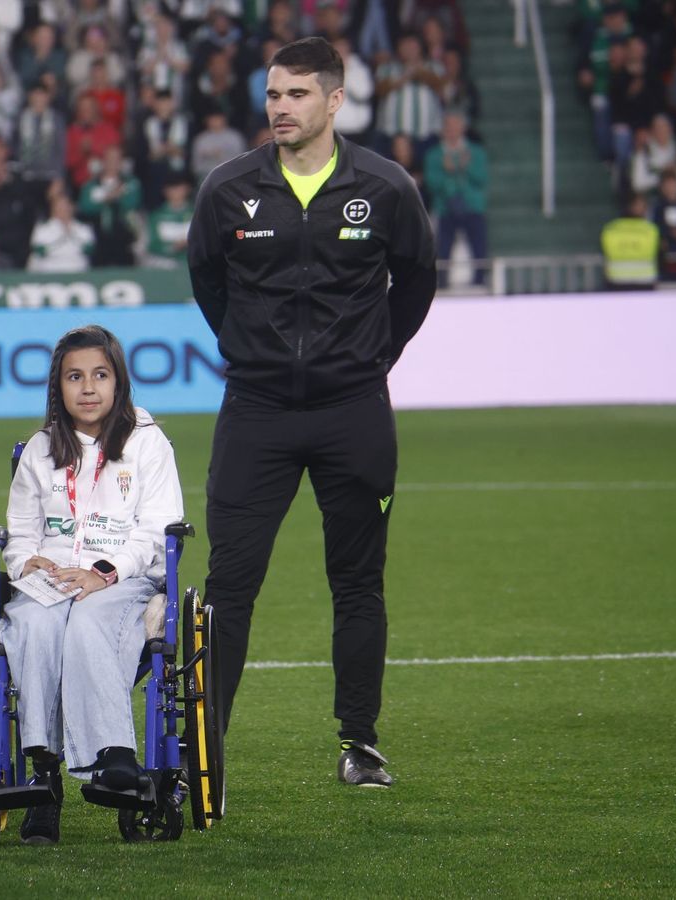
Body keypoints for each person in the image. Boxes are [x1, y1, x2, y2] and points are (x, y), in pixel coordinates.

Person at [186, 37, 436, 788]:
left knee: (358, 581)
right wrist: (254, 350)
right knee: (229, 584)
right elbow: (207, 283)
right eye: (272, 95)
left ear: (334, 100)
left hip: (353, 413)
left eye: (296, 95)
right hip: (255, 411)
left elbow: (415, 285)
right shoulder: (227, 189)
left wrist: (366, 361)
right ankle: (207, 747)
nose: (280, 108)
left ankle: (359, 743)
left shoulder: (387, 188)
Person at [0, 324, 184, 845]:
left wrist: (106, 573)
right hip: (53, 579)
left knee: (88, 621)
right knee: (33, 624)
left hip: (122, 579)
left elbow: (158, 529)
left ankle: (115, 756)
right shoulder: (40, 450)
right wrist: (25, 564)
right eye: (74, 377)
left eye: (100, 375)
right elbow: (18, 534)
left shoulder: (147, 442)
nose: (88, 387)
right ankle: (43, 777)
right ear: (57, 388)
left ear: (118, 381)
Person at [423, 111, 488, 287]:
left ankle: (480, 280)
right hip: (445, 207)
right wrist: (449, 174)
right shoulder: (434, 154)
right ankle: (442, 282)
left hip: (473, 207)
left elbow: (481, 178)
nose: (451, 131)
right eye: (448, 127)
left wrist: (463, 167)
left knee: (479, 246)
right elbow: (431, 183)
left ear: (462, 128)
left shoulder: (476, 152)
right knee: (443, 248)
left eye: (455, 126)